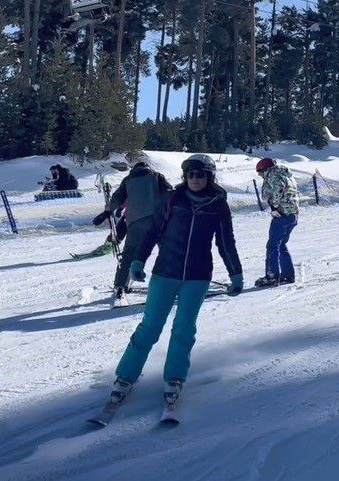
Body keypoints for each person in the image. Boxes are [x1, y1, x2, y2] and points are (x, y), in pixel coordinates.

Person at [102, 154, 244, 414]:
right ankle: (125, 376)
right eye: (190, 174)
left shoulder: (218, 205)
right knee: (150, 326)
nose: (195, 179)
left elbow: (226, 242)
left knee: (184, 328)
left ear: (209, 176)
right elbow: (152, 231)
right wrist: (138, 261)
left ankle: (175, 377)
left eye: (200, 175)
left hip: (198, 275)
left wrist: (235, 274)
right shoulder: (171, 200)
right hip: (165, 272)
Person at [94, 160, 173, 303]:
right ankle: (172, 284)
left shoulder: (128, 179)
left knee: (129, 255)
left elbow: (117, 198)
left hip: (135, 222)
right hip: (158, 220)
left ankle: (120, 286)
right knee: (168, 253)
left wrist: (109, 210)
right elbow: (169, 193)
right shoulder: (156, 176)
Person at [255, 157, 300, 286]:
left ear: (265, 169)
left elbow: (279, 188)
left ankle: (272, 276)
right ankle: (287, 275)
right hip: (292, 214)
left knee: (273, 246)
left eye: (260, 172)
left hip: (282, 214)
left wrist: (274, 206)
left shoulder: (273, 175)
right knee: (280, 245)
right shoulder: (286, 175)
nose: (261, 176)